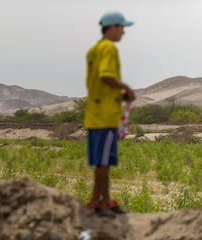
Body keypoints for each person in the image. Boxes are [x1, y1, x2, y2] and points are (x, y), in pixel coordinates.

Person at [84, 11, 135, 217]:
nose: (123, 31)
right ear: (112, 27)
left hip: (96, 112)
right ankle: (96, 204)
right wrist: (126, 88)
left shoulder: (94, 50)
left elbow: (98, 83)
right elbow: (106, 75)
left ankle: (107, 202)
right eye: (122, 27)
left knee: (104, 162)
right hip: (105, 117)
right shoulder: (109, 48)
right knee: (103, 163)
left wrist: (119, 96)